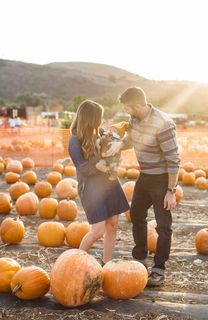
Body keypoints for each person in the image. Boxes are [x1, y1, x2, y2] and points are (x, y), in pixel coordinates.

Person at [104, 87, 180, 286]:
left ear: (138, 105)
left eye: (128, 108)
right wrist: (120, 144)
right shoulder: (135, 120)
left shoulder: (163, 124)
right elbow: (134, 139)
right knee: (136, 214)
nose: (126, 111)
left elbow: (173, 160)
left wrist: (171, 191)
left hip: (162, 179)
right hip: (145, 176)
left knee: (163, 225)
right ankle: (139, 258)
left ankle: (159, 269)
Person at [68, 100, 130, 265]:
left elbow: (111, 153)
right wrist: (101, 167)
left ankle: (107, 264)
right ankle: (75, 263)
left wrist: (114, 152)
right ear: (90, 119)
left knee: (113, 225)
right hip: (91, 189)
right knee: (97, 230)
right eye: (98, 118)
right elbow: (84, 169)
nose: (100, 122)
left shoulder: (100, 134)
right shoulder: (75, 141)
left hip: (110, 184)